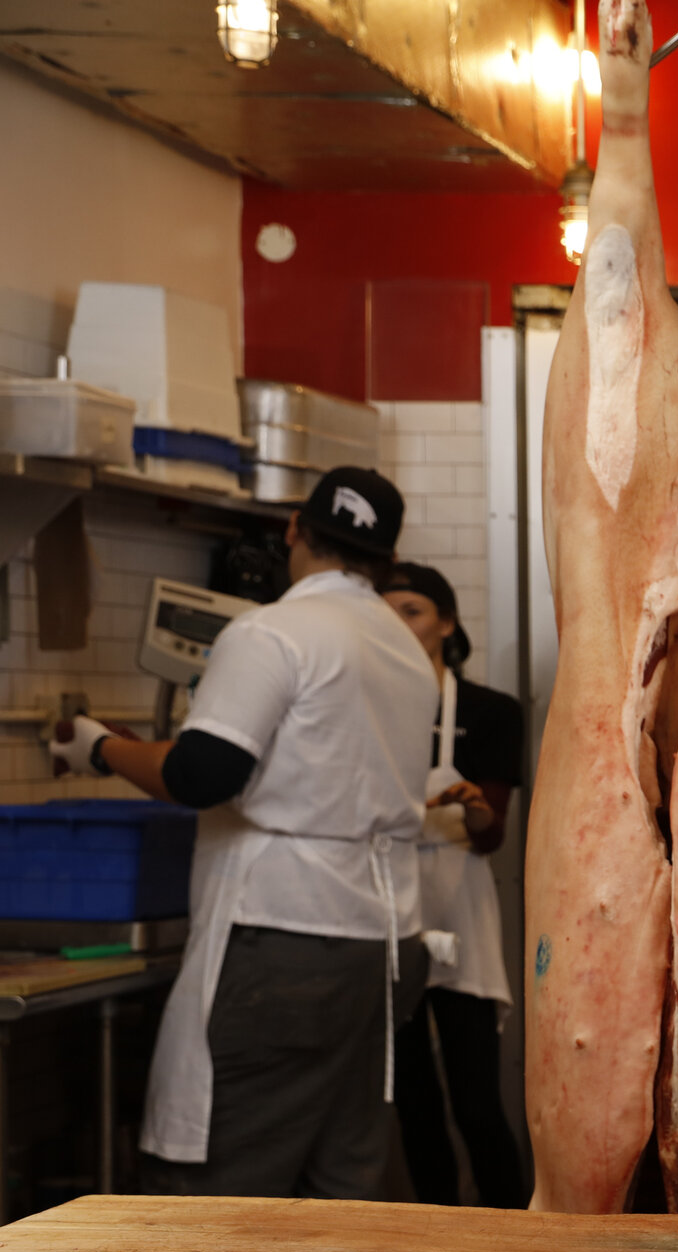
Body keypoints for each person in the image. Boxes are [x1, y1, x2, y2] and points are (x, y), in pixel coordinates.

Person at [51, 466, 436, 1198]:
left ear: (294, 528)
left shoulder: (272, 632)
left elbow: (202, 774)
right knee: (341, 1186)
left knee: (222, 1193)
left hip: (284, 941)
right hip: (380, 944)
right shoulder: (401, 647)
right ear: (385, 555)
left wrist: (99, 748)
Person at [379, 562, 530, 1208]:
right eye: (386, 610)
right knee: (412, 1099)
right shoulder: (364, 705)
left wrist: (471, 809)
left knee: (475, 1101)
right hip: (389, 912)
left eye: (412, 610)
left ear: (446, 622)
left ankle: (518, 1235)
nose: (399, 624)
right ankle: (435, 1245)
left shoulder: (490, 712)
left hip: (462, 914)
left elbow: (491, 836)